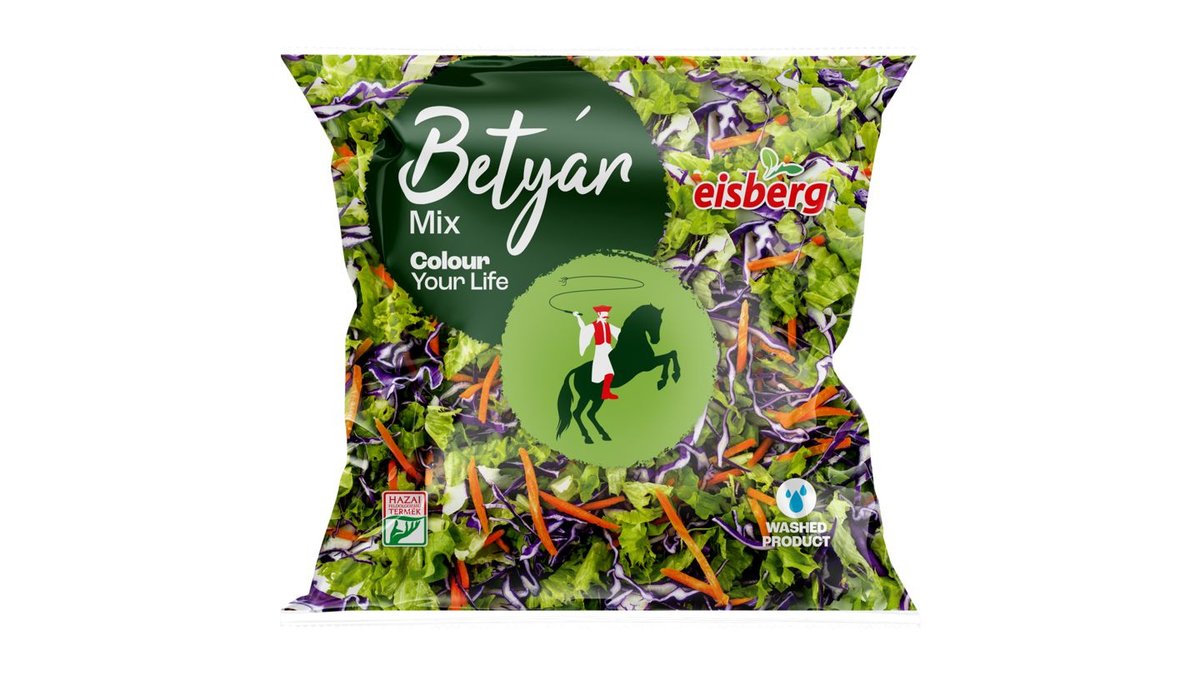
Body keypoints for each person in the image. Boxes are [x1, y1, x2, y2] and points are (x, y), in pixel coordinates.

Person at [573, 305, 621, 400]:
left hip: (609, 348)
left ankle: (606, 391)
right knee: (609, 372)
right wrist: (578, 317)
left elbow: (619, 332)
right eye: (604, 316)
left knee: (614, 369)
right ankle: (605, 393)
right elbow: (584, 329)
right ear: (599, 314)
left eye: (606, 316)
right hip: (601, 350)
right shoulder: (594, 325)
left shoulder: (608, 325)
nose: (605, 318)